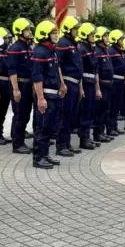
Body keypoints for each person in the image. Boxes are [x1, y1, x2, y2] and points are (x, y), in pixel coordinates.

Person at [31, 20, 63, 169]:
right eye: (53, 32)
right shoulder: (39, 51)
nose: (56, 35)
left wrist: (62, 84)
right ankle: (38, 158)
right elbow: (37, 77)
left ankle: (45, 155)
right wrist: (40, 99)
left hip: (54, 96)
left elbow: (56, 70)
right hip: (45, 96)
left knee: (50, 128)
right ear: (45, 34)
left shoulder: (51, 50)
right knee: (42, 128)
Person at [55, 16, 83, 157]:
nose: (77, 31)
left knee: (72, 116)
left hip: (76, 83)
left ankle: (67, 143)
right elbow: (58, 64)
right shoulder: (63, 43)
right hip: (68, 83)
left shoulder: (74, 44)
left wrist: (80, 86)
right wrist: (62, 83)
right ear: (68, 29)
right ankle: (61, 146)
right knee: (64, 116)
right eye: (75, 29)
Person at [7, 18, 35, 154]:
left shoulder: (27, 47)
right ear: (19, 31)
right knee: (19, 115)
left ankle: (20, 141)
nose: (29, 32)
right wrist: (16, 90)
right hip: (20, 84)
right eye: (27, 30)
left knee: (25, 115)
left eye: (29, 29)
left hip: (28, 84)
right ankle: (17, 144)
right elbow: (12, 71)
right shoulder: (15, 49)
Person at [77, 22, 101, 149]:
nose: (94, 36)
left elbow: (95, 69)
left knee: (90, 111)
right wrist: (80, 88)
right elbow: (80, 70)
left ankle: (87, 136)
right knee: (85, 111)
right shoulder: (82, 49)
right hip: (85, 83)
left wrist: (97, 88)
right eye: (92, 34)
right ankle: (83, 139)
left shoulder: (91, 48)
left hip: (91, 83)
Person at [106, 29, 125, 137]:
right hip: (114, 80)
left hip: (121, 80)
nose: (123, 41)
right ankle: (110, 128)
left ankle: (114, 126)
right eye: (121, 39)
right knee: (112, 106)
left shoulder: (120, 51)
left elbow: (124, 68)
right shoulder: (111, 51)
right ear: (116, 40)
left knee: (117, 105)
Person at [93, 26, 113, 144]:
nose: (107, 38)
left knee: (106, 110)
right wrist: (98, 89)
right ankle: (97, 134)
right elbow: (97, 72)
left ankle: (102, 132)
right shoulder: (97, 52)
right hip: (102, 85)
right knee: (99, 111)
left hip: (108, 85)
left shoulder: (105, 51)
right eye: (105, 36)